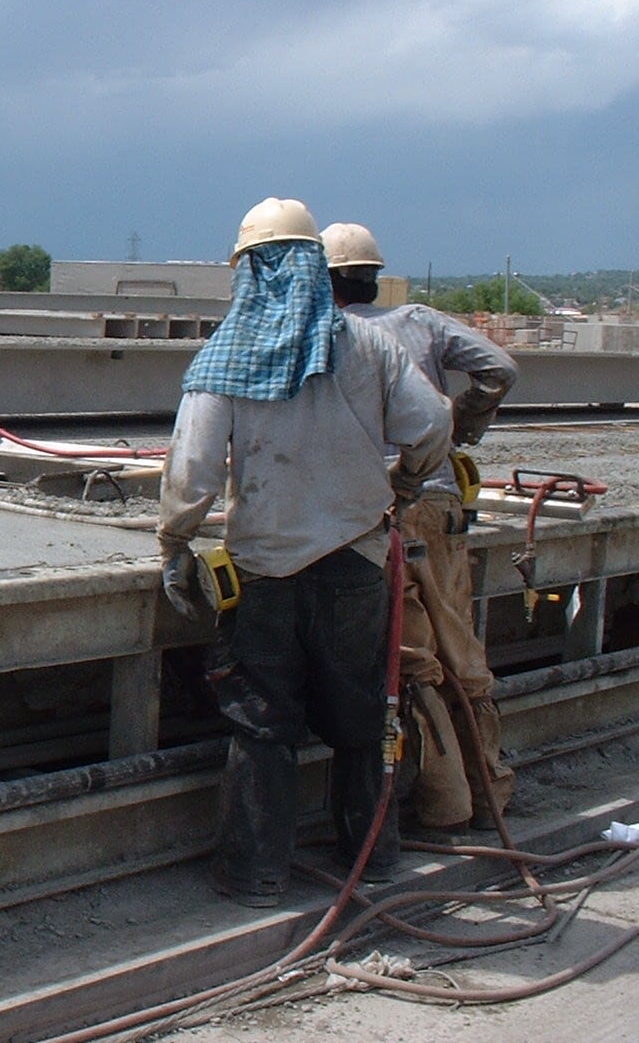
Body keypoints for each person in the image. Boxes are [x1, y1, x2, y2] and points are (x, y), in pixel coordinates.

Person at [158, 197, 452, 908]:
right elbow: (434, 421)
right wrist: (405, 485)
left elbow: (192, 472)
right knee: (363, 715)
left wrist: (174, 543)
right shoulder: (372, 346)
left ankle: (258, 875)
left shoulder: (225, 354)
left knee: (262, 724)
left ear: (249, 271)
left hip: (265, 570)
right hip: (357, 561)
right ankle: (372, 859)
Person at [322, 222, 519, 836]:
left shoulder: (333, 337)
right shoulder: (423, 322)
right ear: (374, 276)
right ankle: (493, 800)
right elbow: (499, 369)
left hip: (388, 511)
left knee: (415, 663)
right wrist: (464, 424)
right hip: (443, 509)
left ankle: (445, 806)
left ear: (325, 279)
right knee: (465, 658)